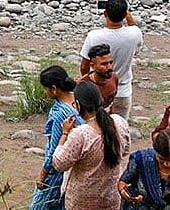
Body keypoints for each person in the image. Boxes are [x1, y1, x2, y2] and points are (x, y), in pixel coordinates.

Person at [52, 81, 131, 210]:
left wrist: (65, 134)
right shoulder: (119, 123)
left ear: (78, 105)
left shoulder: (81, 134)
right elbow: (125, 150)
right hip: (111, 198)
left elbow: (59, 163)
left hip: (82, 202)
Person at [79, 0, 142, 120]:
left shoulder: (94, 36)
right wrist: (127, 15)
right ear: (125, 14)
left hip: (99, 90)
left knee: (96, 124)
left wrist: (89, 85)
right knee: (120, 125)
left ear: (105, 13)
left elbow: (84, 66)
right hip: (123, 89)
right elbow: (134, 27)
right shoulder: (134, 34)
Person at [30, 66, 82, 210]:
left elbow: (54, 150)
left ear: (54, 89)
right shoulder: (80, 101)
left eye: (45, 89)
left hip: (59, 169)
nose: (44, 92)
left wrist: (43, 175)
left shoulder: (59, 113)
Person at [77, 43, 118, 112]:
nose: (110, 67)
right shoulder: (83, 85)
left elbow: (111, 103)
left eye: (111, 62)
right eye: (104, 64)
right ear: (93, 66)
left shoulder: (114, 77)